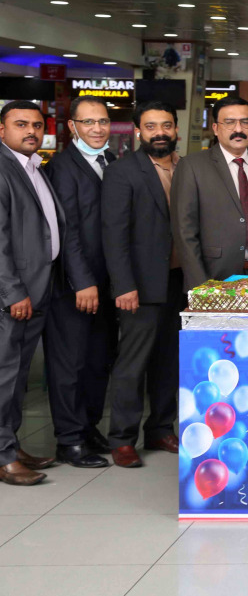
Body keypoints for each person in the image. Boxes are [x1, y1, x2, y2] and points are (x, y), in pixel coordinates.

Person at [0, 101, 96, 485]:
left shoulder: (34, 166)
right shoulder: (3, 169)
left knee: (19, 377)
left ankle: (10, 444)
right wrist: (13, 292)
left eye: (37, 125)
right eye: (21, 124)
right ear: (1, 129)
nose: (31, 131)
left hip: (41, 290)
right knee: (5, 376)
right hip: (16, 297)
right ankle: (4, 457)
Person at [101, 101, 184, 468]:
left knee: (170, 361)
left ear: (176, 129)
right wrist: (123, 285)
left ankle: (161, 428)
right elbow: (114, 234)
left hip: (180, 282)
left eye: (166, 125)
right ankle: (122, 438)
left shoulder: (187, 167)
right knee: (133, 364)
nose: (160, 133)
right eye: (151, 127)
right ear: (139, 131)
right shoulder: (123, 172)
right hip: (140, 285)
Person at [42, 96, 117, 466]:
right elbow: (66, 230)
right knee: (69, 364)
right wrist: (82, 281)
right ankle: (69, 440)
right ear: (72, 126)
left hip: (107, 285)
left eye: (102, 121)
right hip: (75, 286)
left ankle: (88, 428)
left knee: (98, 361)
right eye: (88, 122)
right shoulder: (63, 167)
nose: (98, 129)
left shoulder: (111, 161)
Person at [171, 97, 248, 290]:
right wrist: (199, 285)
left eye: (245, 122)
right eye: (229, 122)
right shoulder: (193, 166)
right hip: (215, 276)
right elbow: (185, 232)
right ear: (215, 128)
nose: (238, 129)